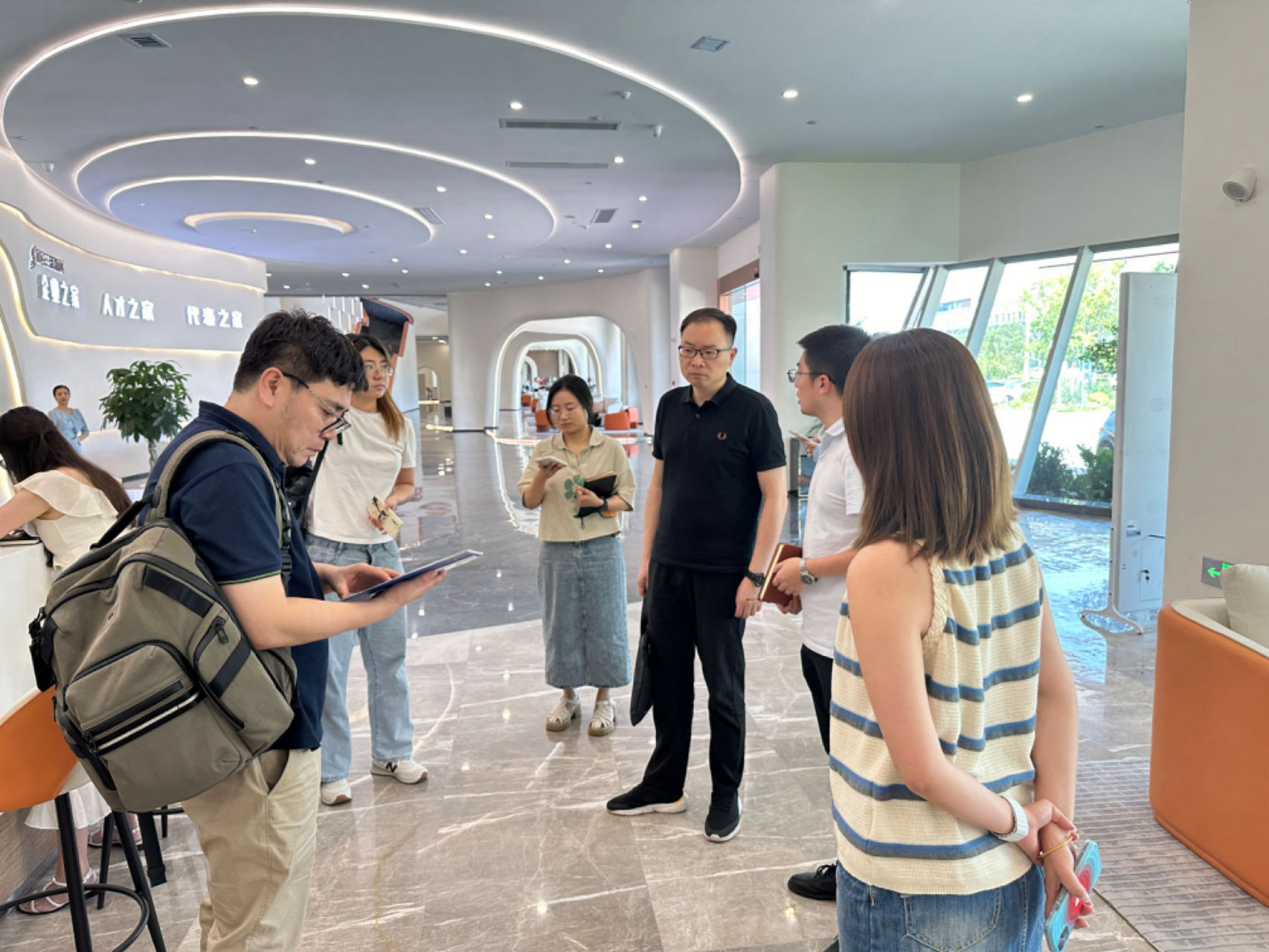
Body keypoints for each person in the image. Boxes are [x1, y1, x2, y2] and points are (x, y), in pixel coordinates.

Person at [142, 309, 446, 952]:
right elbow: (267, 619)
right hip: (256, 739)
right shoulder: (229, 468)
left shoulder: (220, 450)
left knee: (237, 911)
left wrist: (326, 574)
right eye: (329, 412)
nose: (330, 434)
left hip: (240, 726)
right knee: (260, 927)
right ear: (275, 384)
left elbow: (238, 579)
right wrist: (381, 605)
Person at [830, 329, 1091, 951]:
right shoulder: (1012, 545)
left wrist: (1021, 823)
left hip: (917, 886)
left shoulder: (887, 567)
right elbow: (1057, 698)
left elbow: (921, 770)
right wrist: (1052, 834)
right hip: (1013, 871)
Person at [606, 307, 787, 843]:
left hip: (724, 575)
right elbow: (658, 485)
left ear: (731, 354)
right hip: (669, 568)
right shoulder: (670, 405)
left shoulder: (754, 411)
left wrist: (755, 577)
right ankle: (665, 785)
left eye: (709, 351)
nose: (696, 361)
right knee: (668, 681)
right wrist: (647, 558)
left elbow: (775, 498)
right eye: (688, 350)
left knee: (724, 690)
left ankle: (726, 793)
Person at [0, 407, 139, 914]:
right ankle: (118, 827)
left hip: (82, 621)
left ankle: (71, 873)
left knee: (65, 733)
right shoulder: (90, 475)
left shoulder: (44, 484)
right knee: (88, 728)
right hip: (118, 619)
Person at [766, 325, 871, 909]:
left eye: (800, 374)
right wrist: (804, 577)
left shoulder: (858, 448)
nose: (796, 384)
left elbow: (881, 544)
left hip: (848, 637)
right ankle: (851, 868)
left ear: (825, 381)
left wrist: (808, 570)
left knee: (854, 767)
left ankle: (860, 880)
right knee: (839, 761)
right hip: (822, 629)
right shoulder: (832, 442)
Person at [304, 334, 426, 807]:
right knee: (331, 668)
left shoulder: (400, 424)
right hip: (330, 548)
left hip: (383, 550)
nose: (378, 374)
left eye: (384, 366)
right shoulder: (334, 418)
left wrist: (392, 501)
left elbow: (409, 482)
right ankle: (332, 770)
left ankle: (393, 753)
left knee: (389, 660)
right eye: (368, 365)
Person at [517, 374, 636, 736]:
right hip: (557, 548)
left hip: (602, 546)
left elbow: (627, 497)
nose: (563, 415)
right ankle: (568, 696)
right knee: (561, 623)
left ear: (587, 407)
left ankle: (605, 698)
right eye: (555, 410)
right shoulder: (544, 450)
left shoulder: (609, 448)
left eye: (570, 407)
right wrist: (542, 475)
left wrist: (600, 502)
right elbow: (528, 500)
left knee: (607, 621)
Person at [47, 385, 89, 452]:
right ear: (55, 397)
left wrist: (76, 440)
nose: (63, 396)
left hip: (76, 448)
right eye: (59, 394)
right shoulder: (53, 414)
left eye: (65, 393)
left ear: (69, 395)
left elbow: (86, 431)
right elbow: (51, 434)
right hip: (61, 448)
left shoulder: (76, 412)